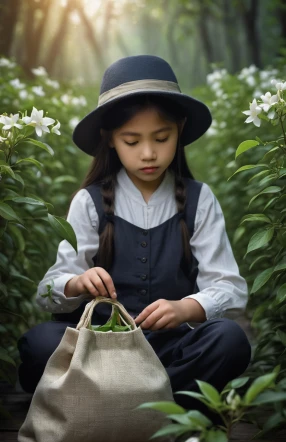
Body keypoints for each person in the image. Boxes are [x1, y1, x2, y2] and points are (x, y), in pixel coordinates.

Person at [17, 55, 251, 422]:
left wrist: (185, 308)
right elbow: (47, 292)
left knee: (231, 340)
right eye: (132, 140)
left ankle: (109, 408)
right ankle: (162, 407)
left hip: (172, 349)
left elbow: (230, 288)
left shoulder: (198, 199)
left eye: (162, 137)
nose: (148, 153)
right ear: (110, 140)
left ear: (180, 129)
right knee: (38, 346)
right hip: (100, 351)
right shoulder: (90, 201)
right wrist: (78, 282)